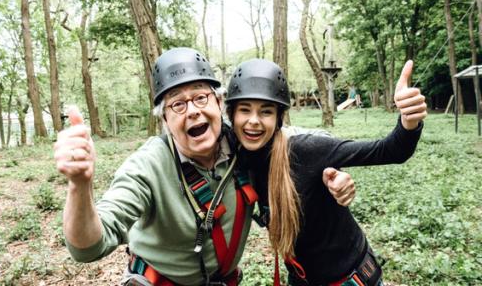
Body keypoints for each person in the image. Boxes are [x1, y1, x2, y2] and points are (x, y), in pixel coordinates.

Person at [53, 47, 356, 286]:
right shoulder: (147, 166)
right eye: (177, 104)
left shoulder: (244, 140)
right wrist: (79, 186)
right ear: (164, 120)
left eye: (200, 97)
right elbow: (88, 247)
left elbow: (297, 139)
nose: (193, 111)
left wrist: (331, 172)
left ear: (218, 103)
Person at [225, 58, 427, 286]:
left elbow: (390, 151)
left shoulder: (306, 150)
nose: (254, 121)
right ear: (232, 115)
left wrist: (409, 120)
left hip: (351, 279)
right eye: (244, 110)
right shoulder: (234, 157)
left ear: (278, 118)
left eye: (266, 112)